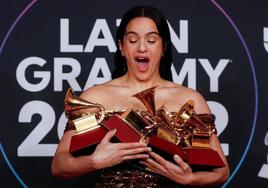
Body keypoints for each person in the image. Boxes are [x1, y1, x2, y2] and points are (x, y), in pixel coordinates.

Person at [51, 5, 229, 187]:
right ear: (121, 47)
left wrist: (190, 178)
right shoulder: (96, 97)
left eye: (151, 40)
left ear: (163, 47)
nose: (142, 48)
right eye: (133, 40)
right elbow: (59, 165)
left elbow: (221, 172)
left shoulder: (190, 99)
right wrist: (94, 161)